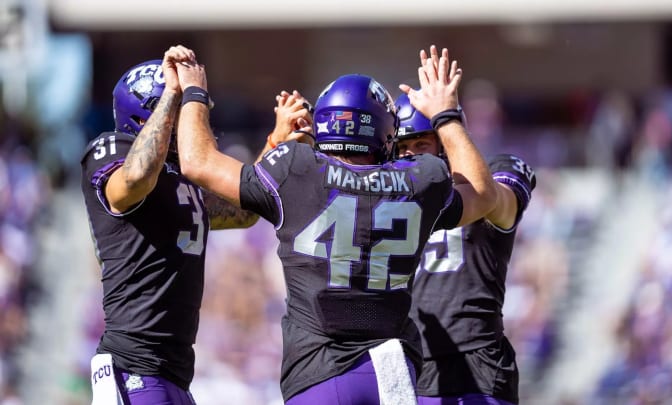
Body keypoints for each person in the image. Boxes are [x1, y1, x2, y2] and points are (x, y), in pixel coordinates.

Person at [173, 44, 498, 404]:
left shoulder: (295, 168)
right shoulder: (422, 178)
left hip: (318, 372)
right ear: (386, 132)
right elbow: (483, 194)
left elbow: (197, 161)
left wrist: (194, 90)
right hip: (391, 370)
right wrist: (445, 114)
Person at [80, 47, 262, 404]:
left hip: (173, 372)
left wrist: (277, 142)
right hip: (134, 364)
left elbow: (244, 211)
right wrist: (173, 95)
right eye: (182, 111)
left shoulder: (181, 180)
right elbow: (133, 180)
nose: (190, 121)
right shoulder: (111, 150)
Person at [395, 92, 537, 405]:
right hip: (414, 365)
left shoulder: (493, 175)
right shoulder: (389, 197)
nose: (410, 156)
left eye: (421, 144)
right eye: (402, 147)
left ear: (444, 145)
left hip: (477, 363)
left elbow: (493, 200)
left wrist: (445, 118)